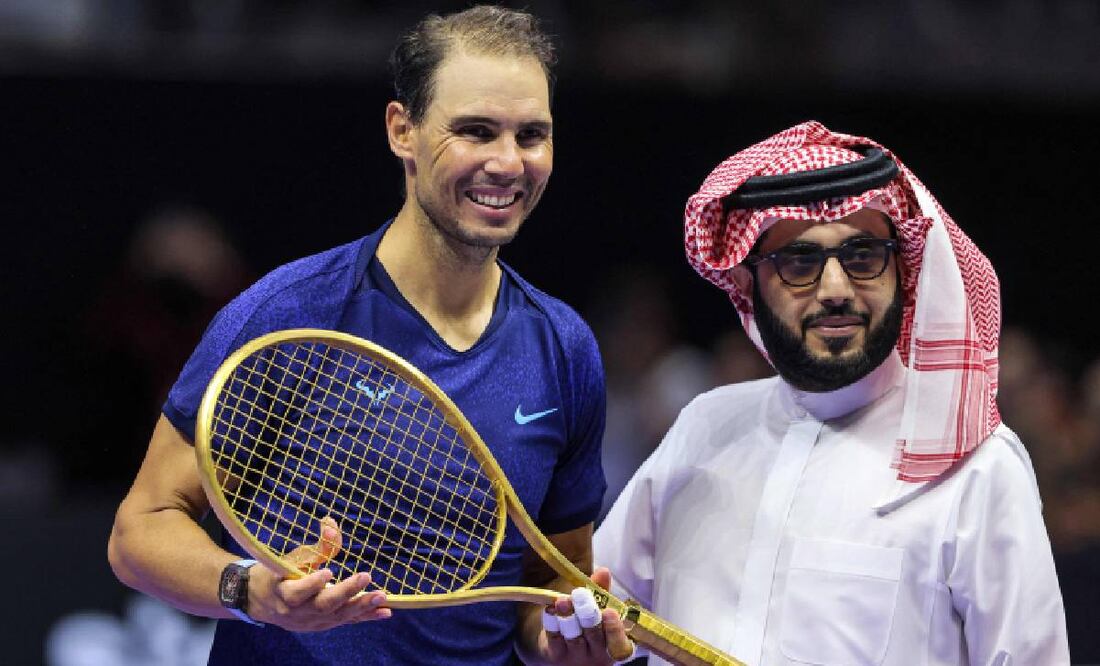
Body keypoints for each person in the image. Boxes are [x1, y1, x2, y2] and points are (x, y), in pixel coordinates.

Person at [109, 6, 630, 665]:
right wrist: (250, 590)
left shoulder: (566, 350)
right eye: (475, 131)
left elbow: (551, 584)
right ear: (401, 131)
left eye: (531, 135)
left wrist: (564, 640)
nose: (507, 162)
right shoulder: (287, 312)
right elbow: (138, 532)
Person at [593, 121, 1071, 665]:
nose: (837, 289)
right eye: (800, 263)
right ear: (749, 284)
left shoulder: (978, 466)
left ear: (903, 271)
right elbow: (599, 619)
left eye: (863, 257)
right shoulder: (705, 427)